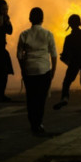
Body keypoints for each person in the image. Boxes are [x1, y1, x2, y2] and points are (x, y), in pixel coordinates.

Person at [17, 7, 58, 135]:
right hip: (44, 70)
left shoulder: (24, 34)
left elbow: (19, 55)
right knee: (41, 99)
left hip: (29, 70)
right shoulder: (48, 34)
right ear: (42, 19)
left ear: (30, 19)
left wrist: (23, 70)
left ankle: (33, 123)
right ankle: (38, 123)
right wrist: (53, 72)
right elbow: (54, 55)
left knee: (31, 98)